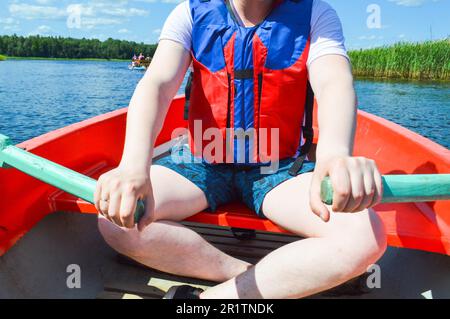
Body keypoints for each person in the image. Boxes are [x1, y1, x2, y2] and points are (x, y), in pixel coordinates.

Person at [95, 0, 387, 299]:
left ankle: (209, 301)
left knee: (364, 238)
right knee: (114, 216)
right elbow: (157, 83)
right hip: (202, 164)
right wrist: (133, 164)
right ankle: (242, 272)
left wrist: (335, 154)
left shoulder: (316, 14)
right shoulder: (189, 13)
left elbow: (333, 83)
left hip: (278, 169)